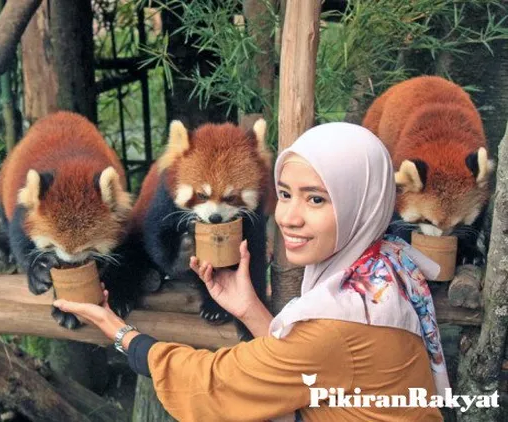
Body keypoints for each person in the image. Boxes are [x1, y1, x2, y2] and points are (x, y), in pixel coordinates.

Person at [53, 122, 450, 422]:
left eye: (315, 199)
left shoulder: (342, 326)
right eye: (285, 194)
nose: (290, 217)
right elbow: (301, 363)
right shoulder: (383, 271)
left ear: (362, 204)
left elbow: (215, 386)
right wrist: (248, 307)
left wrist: (117, 331)